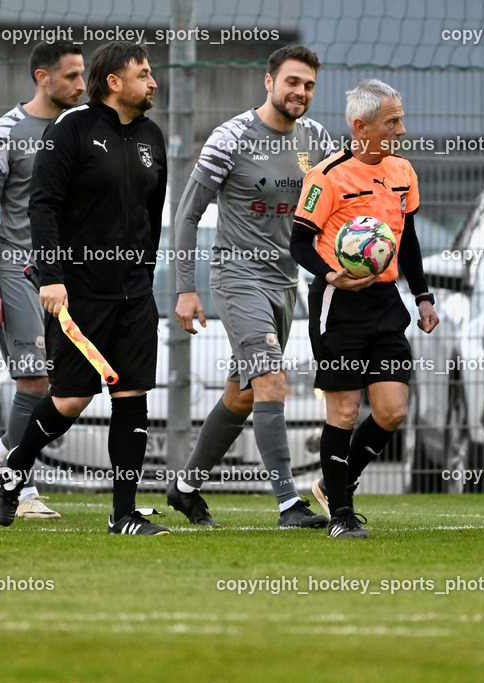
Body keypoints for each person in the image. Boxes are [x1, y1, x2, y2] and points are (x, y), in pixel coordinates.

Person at [0, 42, 168, 535]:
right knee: (71, 399)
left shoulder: (153, 136)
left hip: (134, 294)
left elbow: (153, 217)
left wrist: (145, 277)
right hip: (78, 292)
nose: (153, 83)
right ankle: (12, 471)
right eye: (145, 74)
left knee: (133, 396)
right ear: (115, 83)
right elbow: (41, 206)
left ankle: (124, 514)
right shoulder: (71, 130)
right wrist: (52, 277)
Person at [169, 45, 333, 528]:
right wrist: (184, 287)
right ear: (269, 81)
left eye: (308, 86)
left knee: (243, 396)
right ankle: (288, 503)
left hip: (286, 283)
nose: (300, 92)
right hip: (238, 277)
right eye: (292, 82)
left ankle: (184, 488)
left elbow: (331, 209)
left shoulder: (318, 139)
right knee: (272, 381)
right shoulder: (232, 137)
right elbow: (187, 214)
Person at [290, 79, 438, 539]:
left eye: (399, 119)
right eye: (392, 121)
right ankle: (342, 516)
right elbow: (299, 241)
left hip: (386, 302)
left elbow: (407, 239)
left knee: (392, 409)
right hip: (340, 302)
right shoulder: (327, 176)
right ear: (361, 126)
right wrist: (332, 273)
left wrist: (423, 295)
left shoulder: (403, 172)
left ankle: (332, 484)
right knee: (344, 412)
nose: (401, 129)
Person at [0, 41, 85, 519]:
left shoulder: (80, 128)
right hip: (16, 270)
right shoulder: (5, 132)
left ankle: (1, 454)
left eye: (84, 75)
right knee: (35, 381)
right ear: (43, 77)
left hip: (61, 274)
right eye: (72, 76)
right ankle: (24, 489)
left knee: (58, 385)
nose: (82, 85)